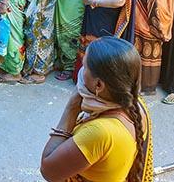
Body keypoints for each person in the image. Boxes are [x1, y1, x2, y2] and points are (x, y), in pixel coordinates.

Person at [40, 37, 153, 182]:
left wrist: (71, 109)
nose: (81, 70)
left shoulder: (100, 132)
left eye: (85, 66)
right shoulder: (137, 106)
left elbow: (48, 171)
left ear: (98, 85)